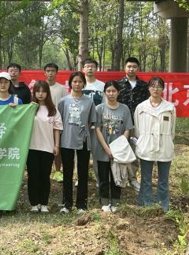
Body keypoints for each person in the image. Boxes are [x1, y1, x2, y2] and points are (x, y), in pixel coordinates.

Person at [57, 71, 98, 213]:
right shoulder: (63, 101)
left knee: (82, 173)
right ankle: (66, 204)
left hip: (84, 140)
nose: (77, 84)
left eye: (80, 82)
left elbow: (92, 121)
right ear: (70, 84)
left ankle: (82, 204)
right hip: (67, 139)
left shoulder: (89, 101)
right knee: (67, 173)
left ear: (84, 84)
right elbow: (59, 122)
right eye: (74, 81)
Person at [134, 76, 175, 212]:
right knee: (146, 178)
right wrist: (143, 141)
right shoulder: (141, 107)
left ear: (163, 89)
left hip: (165, 146)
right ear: (148, 88)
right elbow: (137, 129)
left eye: (158, 86)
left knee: (163, 179)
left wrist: (167, 139)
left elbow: (172, 130)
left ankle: (163, 206)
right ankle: (146, 205)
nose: (155, 89)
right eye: (153, 86)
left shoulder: (169, 107)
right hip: (146, 145)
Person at [94, 80, 133, 212]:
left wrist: (119, 147)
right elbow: (97, 129)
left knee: (117, 176)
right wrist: (107, 148)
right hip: (102, 149)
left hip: (119, 150)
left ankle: (115, 201)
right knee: (103, 176)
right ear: (104, 93)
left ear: (118, 92)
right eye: (108, 91)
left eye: (114, 91)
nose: (111, 94)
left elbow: (128, 128)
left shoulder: (124, 108)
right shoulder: (99, 108)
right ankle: (104, 201)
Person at [27, 81, 63, 213]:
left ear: (47, 93)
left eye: (43, 91)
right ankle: (34, 203)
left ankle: (44, 203)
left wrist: (57, 145)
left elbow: (57, 129)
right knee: (33, 176)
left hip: (47, 148)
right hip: (31, 147)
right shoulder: (30, 108)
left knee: (44, 176)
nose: (40, 94)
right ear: (34, 92)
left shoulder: (53, 110)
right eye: (38, 91)